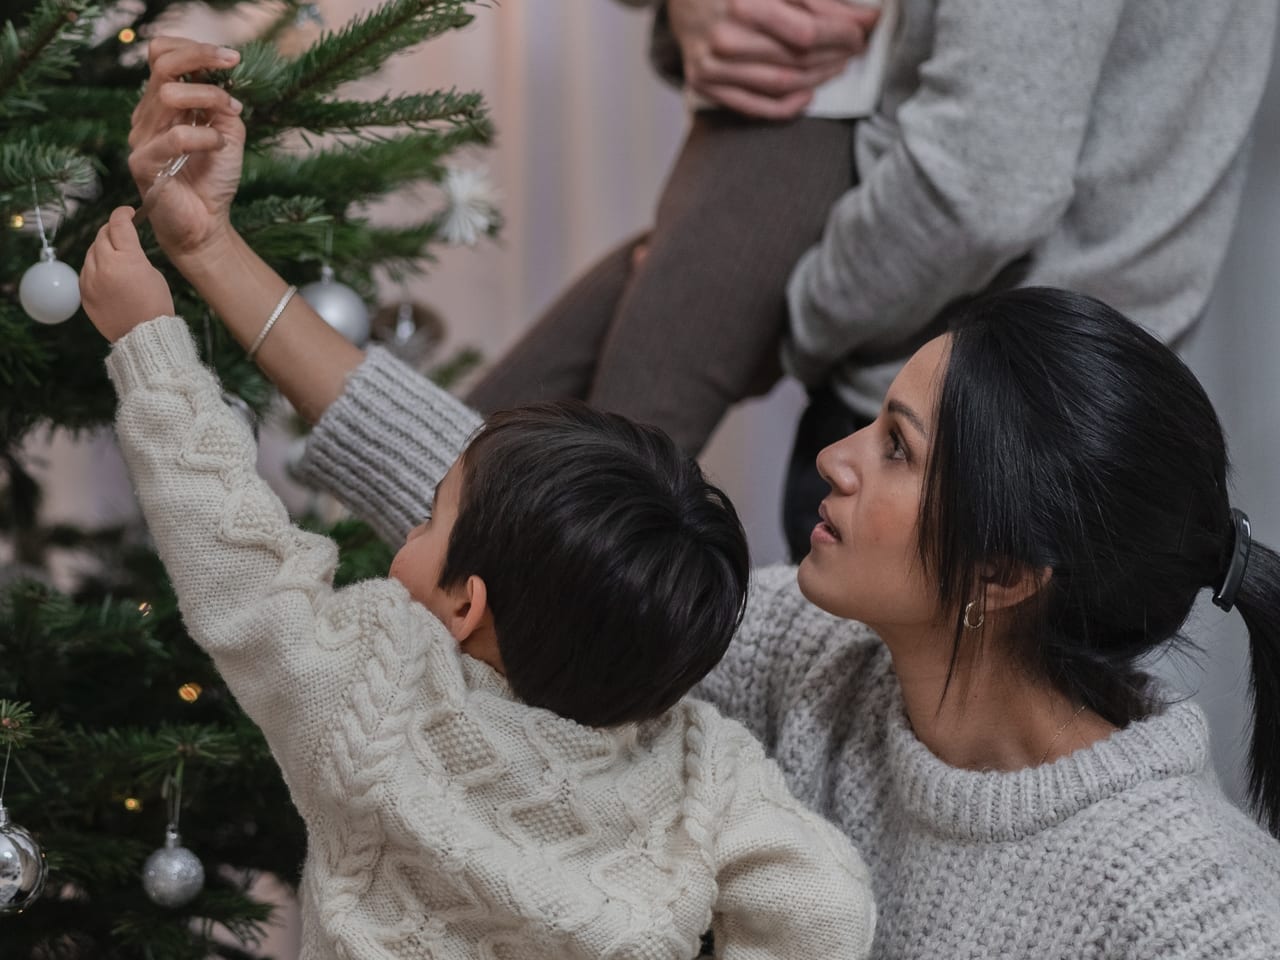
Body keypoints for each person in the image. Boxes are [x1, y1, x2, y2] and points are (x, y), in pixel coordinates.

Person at [129, 38, 1280, 957]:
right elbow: (509, 518)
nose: (834, 456)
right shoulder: (813, 656)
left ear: (1003, 572)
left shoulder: (1193, 905)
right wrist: (205, 246)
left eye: (894, 448)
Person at [81, 208, 877, 958]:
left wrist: (149, 345)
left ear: (467, 604)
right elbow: (827, 905)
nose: (412, 533)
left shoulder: (376, 689)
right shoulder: (703, 763)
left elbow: (234, 559)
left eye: (428, 521)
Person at [640, 0, 1278, 560]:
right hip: (1047, 397)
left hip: (960, 415)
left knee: (585, 535)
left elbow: (980, 193)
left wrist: (797, 320)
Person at [465, 0, 886, 458]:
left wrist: (802, 326)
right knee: (491, 449)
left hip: (804, 121)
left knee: (609, 476)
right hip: (765, 116)